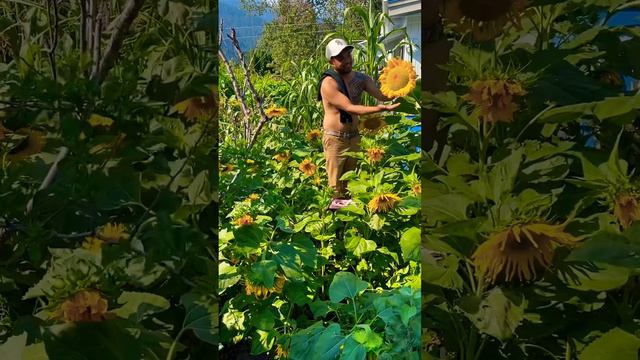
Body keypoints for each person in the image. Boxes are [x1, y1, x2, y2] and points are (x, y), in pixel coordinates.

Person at [318, 38, 399, 204]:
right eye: (341, 57)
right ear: (331, 61)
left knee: (352, 182)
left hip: (354, 137)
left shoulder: (361, 79)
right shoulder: (328, 83)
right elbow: (350, 108)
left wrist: (401, 83)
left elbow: (382, 95)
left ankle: (350, 221)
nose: (347, 59)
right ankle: (337, 223)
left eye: (348, 54)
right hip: (335, 139)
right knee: (335, 185)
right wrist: (380, 109)